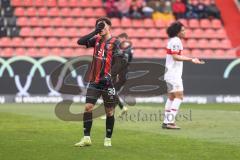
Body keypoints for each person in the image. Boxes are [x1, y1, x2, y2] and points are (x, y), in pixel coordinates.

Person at [75, 17, 122, 147]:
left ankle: (108, 139)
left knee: (109, 112)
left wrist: (114, 74)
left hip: (108, 82)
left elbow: (120, 61)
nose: (100, 28)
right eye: (98, 25)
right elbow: (80, 41)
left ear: (109, 27)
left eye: (102, 25)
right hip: (94, 80)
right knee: (88, 107)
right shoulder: (96, 40)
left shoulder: (116, 42)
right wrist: (95, 31)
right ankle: (86, 138)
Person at [162, 21, 205, 129]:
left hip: (169, 73)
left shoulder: (172, 40)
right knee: (179, 96)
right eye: (183, 30)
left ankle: (166, 121)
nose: (185, 32)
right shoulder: (176, 41)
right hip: (173, 74)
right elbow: (175, 56)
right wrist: (191, 59)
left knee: (171, 97)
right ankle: (170, 122)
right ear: (177, 32)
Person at [115, 33, 133, 117]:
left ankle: (121, 108)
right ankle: (121, 108)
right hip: (123, 73)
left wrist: (118, 74)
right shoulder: (128, 50)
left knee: (110, 92)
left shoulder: (124, 51)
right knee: (111, 92)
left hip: (121, 74)